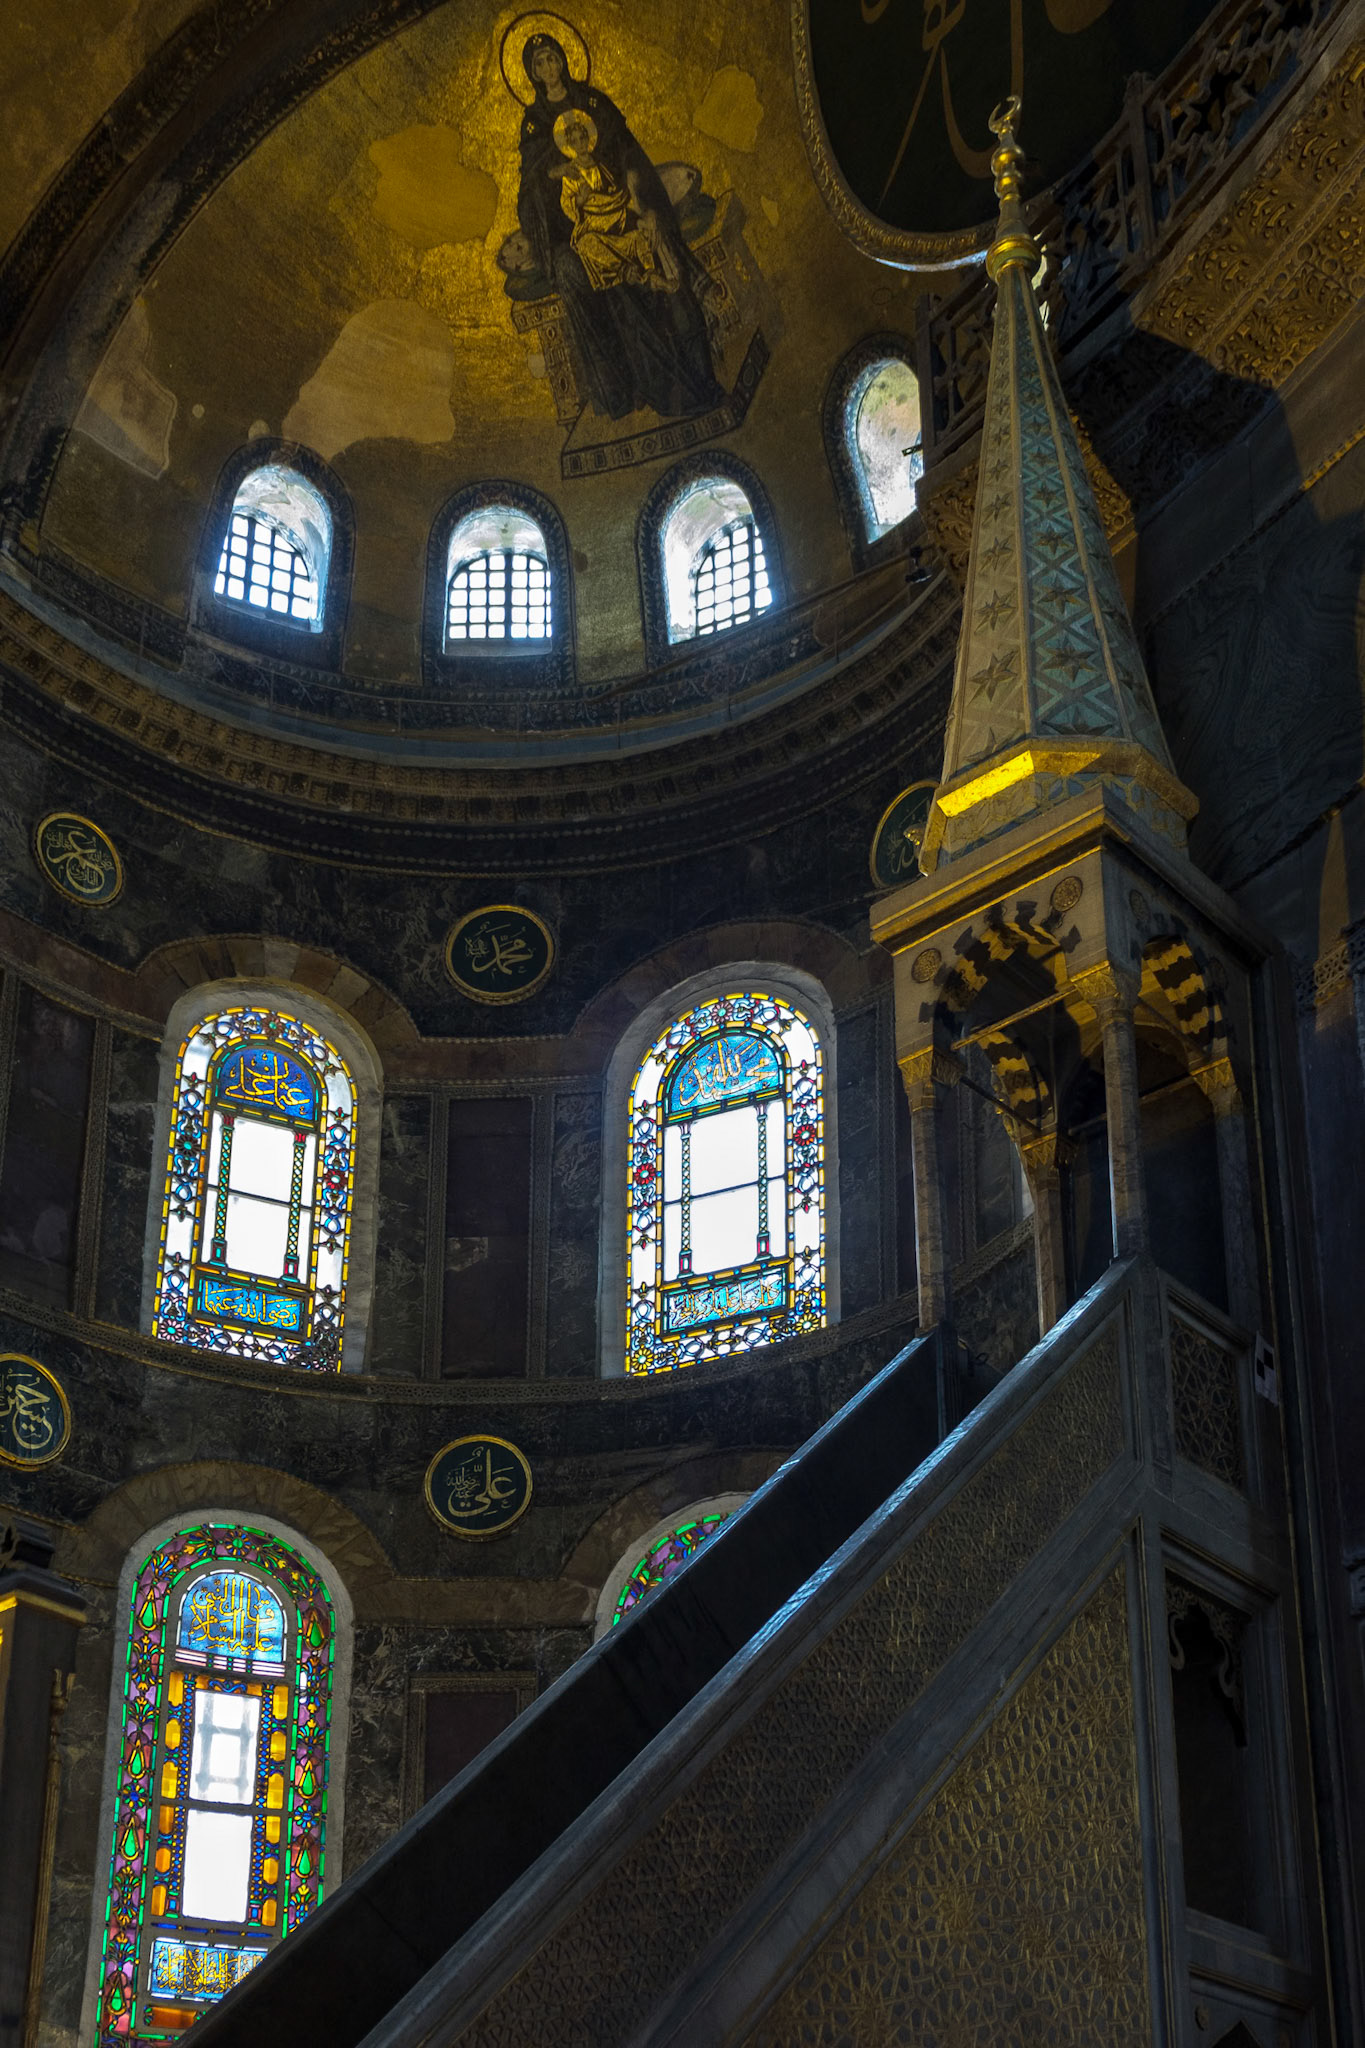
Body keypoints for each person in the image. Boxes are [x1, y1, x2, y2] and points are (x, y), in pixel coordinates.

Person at [515, 33, 724, 421]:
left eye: (552, 57)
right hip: (584, 232)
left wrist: (637, 195)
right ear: (533, 73)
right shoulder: (535, 125)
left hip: (625, 211)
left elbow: (628, 153)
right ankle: (650, 391)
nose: (549, 67)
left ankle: (700, 379)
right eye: (539, 63)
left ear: (563, 59)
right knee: (616, 290)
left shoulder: (593, 102)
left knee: (669, 278)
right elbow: (532, 191)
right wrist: (560, 175)